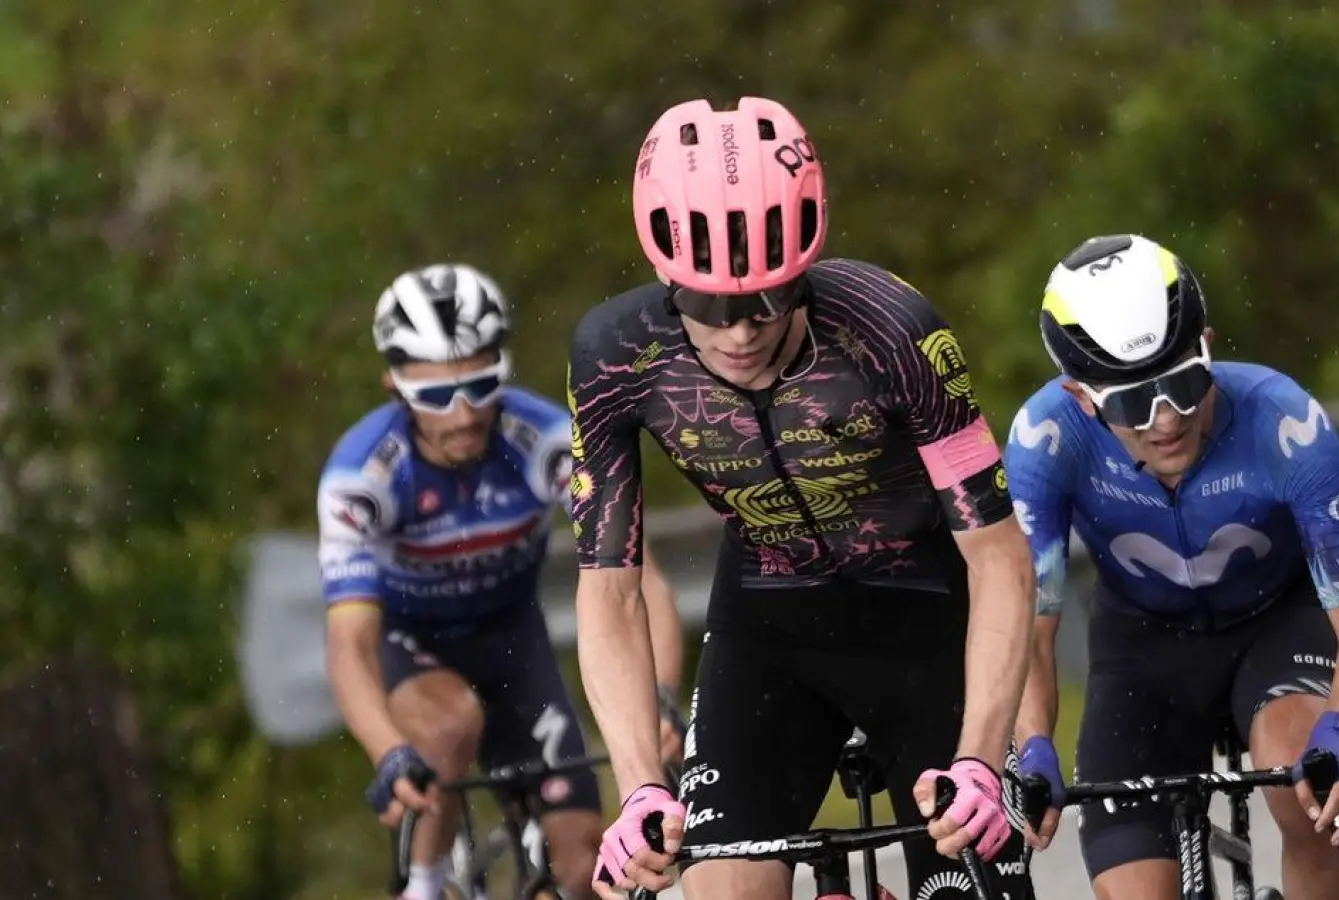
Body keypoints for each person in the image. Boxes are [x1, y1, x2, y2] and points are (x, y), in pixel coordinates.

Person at [568, 96, 1037, 900]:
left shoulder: (892, 328)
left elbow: (996, 552)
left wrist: (982, 759)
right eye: (708, 304)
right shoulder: (615, 357)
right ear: (662, 272)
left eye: (768, 297)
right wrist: (641, 785)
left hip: (922, 614)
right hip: (769, 620)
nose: (742, 330)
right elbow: (609, 589)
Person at [1006, 234, 1339, 900]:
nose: (1166, 422)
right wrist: (1032, 744)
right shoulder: (1046, 442)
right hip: (1142, 648)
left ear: (1208, 345)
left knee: (1306, 792)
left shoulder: (1284, 421)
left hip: (1278, 625)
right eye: (1132, 402)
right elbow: (1028, 634)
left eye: (1185, 384)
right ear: (1080, 397)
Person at [318, 263, 685, 900]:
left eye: (480, 385)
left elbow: (641, 577)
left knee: (586, 873)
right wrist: (386, 751)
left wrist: (661, 694)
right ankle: (425, 886)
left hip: (514, 641)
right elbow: (350, 642)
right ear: (393, 386)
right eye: (435, 395)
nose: (462, 414)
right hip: (412, 647)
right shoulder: (363, 475)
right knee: (449, 723)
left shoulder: (544, 440)